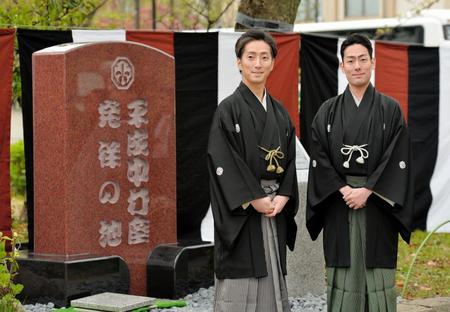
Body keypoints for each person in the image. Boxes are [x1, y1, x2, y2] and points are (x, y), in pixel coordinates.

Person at [306, 33, 414, 312]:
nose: (357, 66)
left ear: (373, 62)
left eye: (362, 59)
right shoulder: (327, 112)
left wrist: (368, 190)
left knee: (377, 270)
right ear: (342, 66)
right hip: (339, 200)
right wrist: (344, 189)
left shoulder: (390, 109)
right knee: (345, 271)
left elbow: (397, 158)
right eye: (350, 60)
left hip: (378, 199)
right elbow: (319, 156)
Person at [207, 29, 299, 312]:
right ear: (239, 62)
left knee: (271, 273)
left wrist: (284, 194)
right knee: (243, 277)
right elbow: (222, 160)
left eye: (264, 57)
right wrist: (253, 197)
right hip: (246, 209)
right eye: (250, 57)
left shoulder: (281, 113)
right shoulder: (228, 109)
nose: (257, 63)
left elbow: (292, 160)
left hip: (273, 205)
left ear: (273, 63)